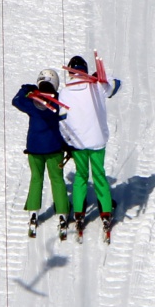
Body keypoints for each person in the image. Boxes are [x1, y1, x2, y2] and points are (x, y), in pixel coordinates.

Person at [60, 54, 121, 241]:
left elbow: (62, 120)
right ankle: (106, 211)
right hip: (97, 141)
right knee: (99, 175)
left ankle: (78, 212)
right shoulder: (98, 87)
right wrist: (103, 77)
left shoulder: (64, 92)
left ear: (70, 72)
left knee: (80, 176)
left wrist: (67, 141)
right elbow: (116, 84)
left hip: (77, 143)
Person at [12, 69, 70, 239]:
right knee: (57, 180)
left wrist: (26, 88)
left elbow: (16, 101)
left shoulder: (31, 102)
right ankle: (62, 213)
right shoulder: (59, 101)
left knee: (36, 178)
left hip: (34, 149)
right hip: (54, 149)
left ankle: (33, 213)